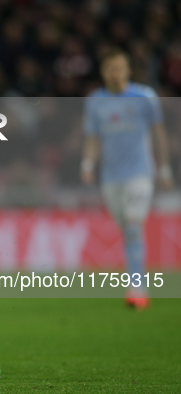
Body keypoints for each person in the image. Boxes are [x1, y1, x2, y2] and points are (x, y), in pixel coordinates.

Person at [81, 49, 174, 310]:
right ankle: (136, 280)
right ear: (103, 72)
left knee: (133, 226)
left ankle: (137, 288)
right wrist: (87, 164)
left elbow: (159, 134)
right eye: (110, 68)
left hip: (140, 174)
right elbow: (92, 137)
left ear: (128, 70)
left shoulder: (145, 97)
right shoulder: (95, 101)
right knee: (126, 228)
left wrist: (164, 168)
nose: (115, 73)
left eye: (119, 68)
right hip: (110, 177)